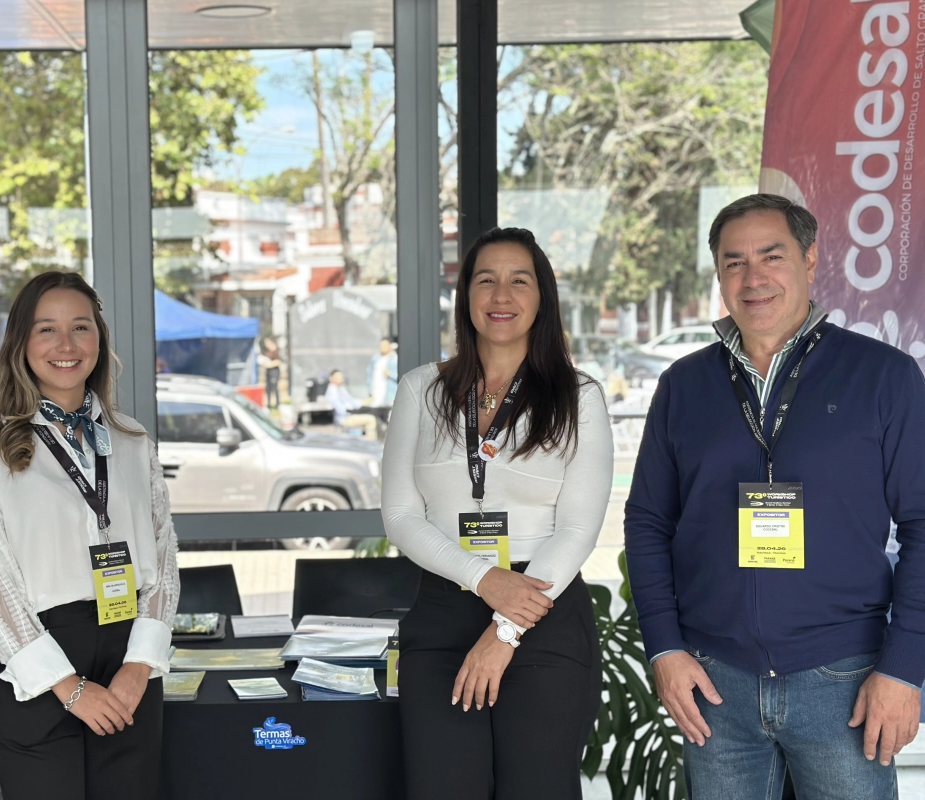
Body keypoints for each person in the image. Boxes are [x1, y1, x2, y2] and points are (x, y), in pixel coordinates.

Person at [624, 194, 925, 799]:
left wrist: (904, 669)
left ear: (811, 260)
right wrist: (664, 648)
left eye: (771, 255)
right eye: (733, 262)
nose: (753, 278)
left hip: (844, 681)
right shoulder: (684, 386)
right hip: (715, 685)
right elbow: (647, 521)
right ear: (718, 276)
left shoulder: (884, 377)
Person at [382, 227, 613, 799]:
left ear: (542, 297)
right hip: (443, 610)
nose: (501, 295)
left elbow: (579, 527)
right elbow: (401, 517)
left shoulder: (578, 397)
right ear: (465, 296)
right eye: (485, 279)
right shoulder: (421, 390)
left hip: (545, 613)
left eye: (519, 280)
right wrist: (485, 580)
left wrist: (506, 626)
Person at [0, 271, 179, 800]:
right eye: (46, 330)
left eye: (81, 327)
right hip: (36, 666)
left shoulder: (132, 440)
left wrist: (139, 666)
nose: (67, 345)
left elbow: (163, 557)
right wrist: (67, 687)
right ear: (20, 344)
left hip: (128, 655)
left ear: (100, 340)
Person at [324, 369, 378, 439]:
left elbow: (351, 401)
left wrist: (364, 402)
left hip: (349, 414)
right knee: (371, 419)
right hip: (343, 418)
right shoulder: (332, 391)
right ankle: (371, 442)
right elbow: (341, 410)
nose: (341, 379)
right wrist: (354, 408)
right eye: (338, 377)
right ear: (331, 378)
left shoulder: (341, 388)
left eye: (341, 377)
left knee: (372, 413)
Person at [367, 337, 399, 407]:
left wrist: (390, 374)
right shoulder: (376, 358)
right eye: (381, 346)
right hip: (376, 393)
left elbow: (400, 376)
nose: (382, 347)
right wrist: (370, 390)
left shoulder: (395, 359)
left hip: (390, 394)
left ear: (390, 346)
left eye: (384, 345)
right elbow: (369, 374)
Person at [257, 336, 282, 410]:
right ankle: (269, 405)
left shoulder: (276, 350)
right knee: (268, 388)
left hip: (274, 371)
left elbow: (279, 362)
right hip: (268, 371)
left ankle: (277, 405)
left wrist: (270, 364)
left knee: (274, 388)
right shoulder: (267, 351)